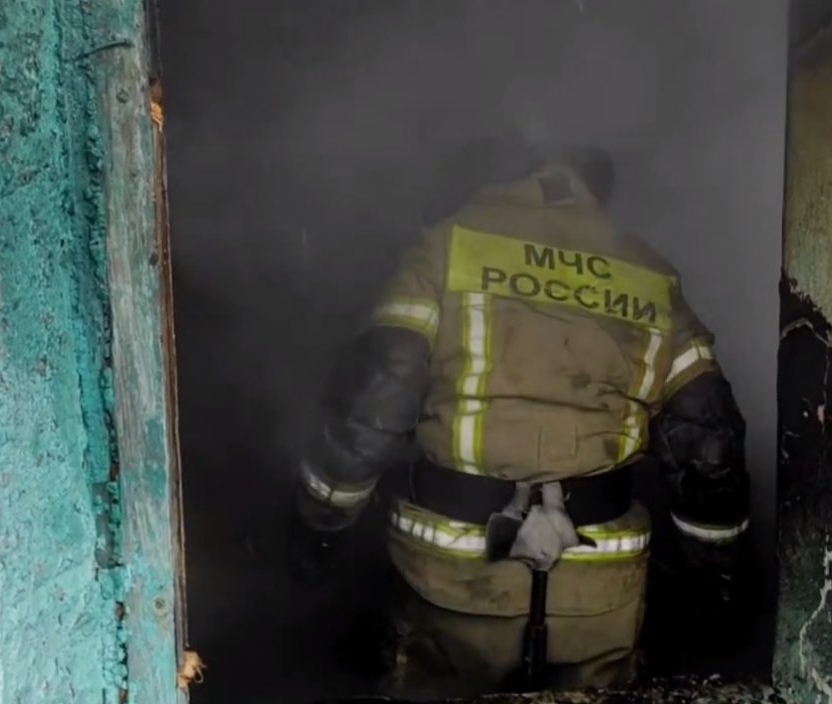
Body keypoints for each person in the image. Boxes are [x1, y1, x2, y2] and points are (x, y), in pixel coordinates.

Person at [287, 133, 752, 697]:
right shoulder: (649, 273)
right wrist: (716, 576)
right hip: (599, 585)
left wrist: (320, 527)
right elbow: (709, 440)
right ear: (598, 193)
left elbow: (379, 392)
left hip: (454, 574)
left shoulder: (447, 246)